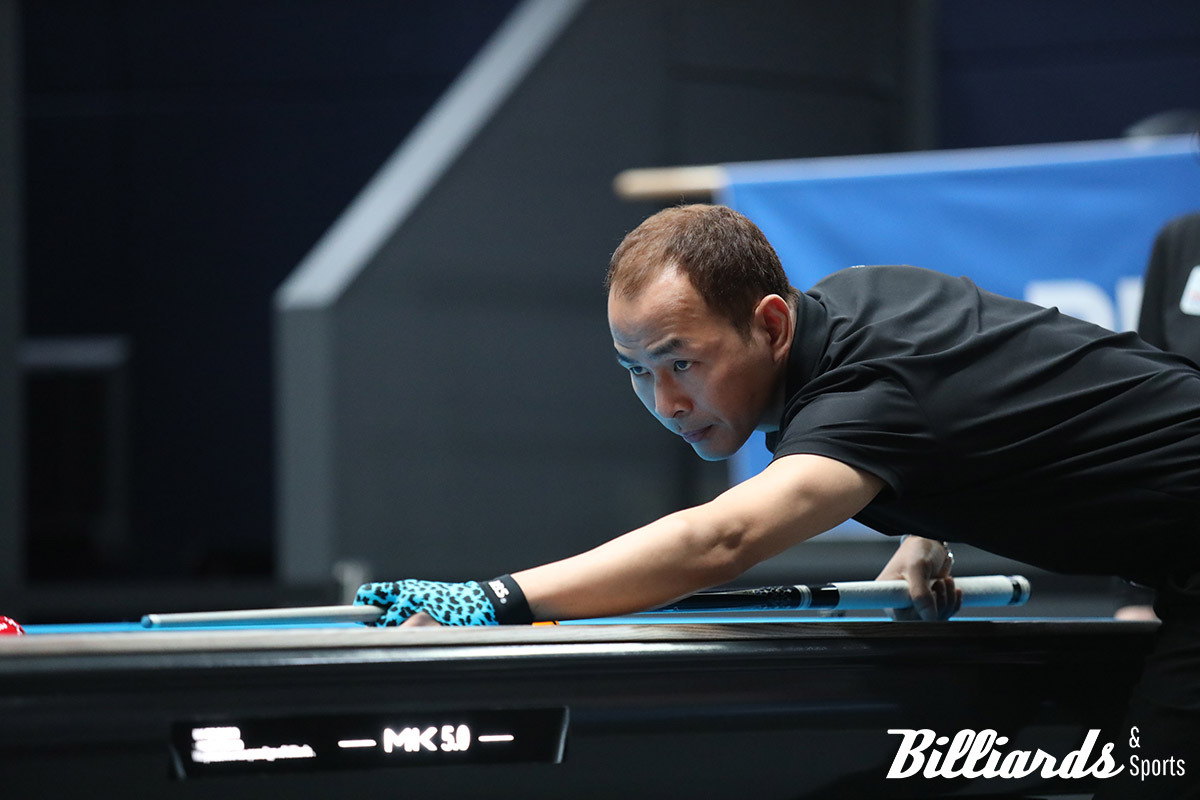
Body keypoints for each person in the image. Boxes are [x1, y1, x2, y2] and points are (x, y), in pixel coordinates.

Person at [356, 204, 1200, 797]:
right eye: (636, 372)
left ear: (769, 324)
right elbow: (990, 398)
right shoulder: (861, 297)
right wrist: (925, 517)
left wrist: (495, 600)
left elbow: (723, 541)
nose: (666, 401)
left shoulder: (865, 396)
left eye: (681, 362)